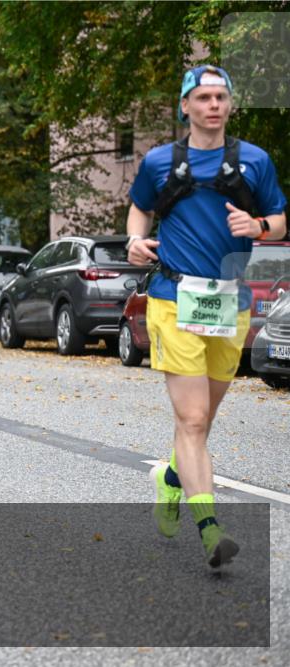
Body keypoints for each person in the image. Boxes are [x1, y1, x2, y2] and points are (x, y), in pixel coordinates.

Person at [127, 65, 287, 568]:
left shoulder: (254, 162)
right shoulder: (159, 163)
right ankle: (211, 530)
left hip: (230, 301)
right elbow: (138, 211)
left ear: (230, 105)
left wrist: (258, 224)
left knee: (202, 420)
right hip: (174, 298)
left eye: (221, 97)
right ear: (186, 107)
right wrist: (135, 240)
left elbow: (280, 219)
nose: (213, 105)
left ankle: (170, 478)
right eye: (203, 97)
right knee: (192, 418)